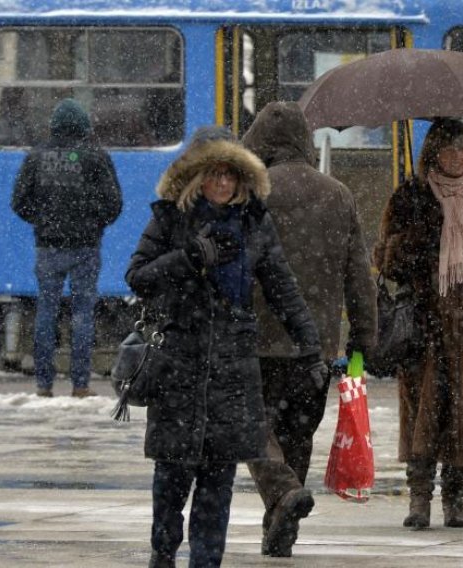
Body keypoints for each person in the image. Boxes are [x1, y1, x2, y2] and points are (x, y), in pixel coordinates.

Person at [124, 126, 326, 568]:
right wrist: (190, 257)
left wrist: (311, 347)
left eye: (230, 175)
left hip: (233, 371)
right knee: (172, 480)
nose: (222, 184)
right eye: (213, 174)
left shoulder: (255, 223)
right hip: (179, 365)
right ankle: (163, 551)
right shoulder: (170, 219)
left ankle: (206, 562)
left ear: (242, 179)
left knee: (218, 485)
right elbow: (138, 277)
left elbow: (283, 289)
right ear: (196, 177)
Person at [241, 101, 378, 557]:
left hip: (256, 336)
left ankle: (281, 496)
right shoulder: (337, 194)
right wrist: (364, 337)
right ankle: (282, 525)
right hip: (314, 344)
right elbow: (359, 275)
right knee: (298, 432)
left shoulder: (251, 191)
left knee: (252, 426)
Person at [373, 118, 463, 530]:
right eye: (446, 150)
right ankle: (418, 498)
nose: (455, 157)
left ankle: (455, 496)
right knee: (420, 410)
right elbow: (387, 261)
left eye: (462, 150)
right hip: (424, 324)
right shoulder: (410, 196)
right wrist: (415, 238)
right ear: (432, 154)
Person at [11, 98, 122, 398]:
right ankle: (81, 384)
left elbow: (19, 201)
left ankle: (44, 384)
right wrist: (94, 224)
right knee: (82, 314)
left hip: (47, 246)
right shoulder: (95, 156)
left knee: (46, 312)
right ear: (83, 126)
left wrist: (43, 221)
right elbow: (114, 203)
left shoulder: (37, 156)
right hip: (86, 246)